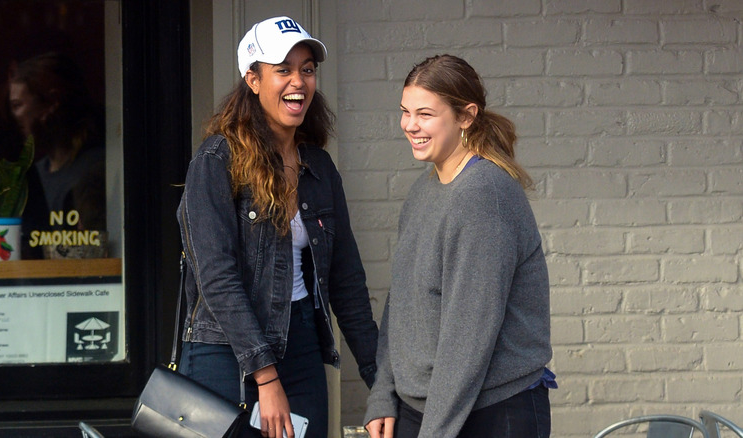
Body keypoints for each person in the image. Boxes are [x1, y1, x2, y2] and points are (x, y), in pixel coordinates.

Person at [176, 16, 378, 438]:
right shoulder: (216, 161)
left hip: (301, 343)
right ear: (252, 79)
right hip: (224, 353)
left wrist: (379, 379)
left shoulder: (318, 168)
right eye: (282, 69)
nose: (299, 82)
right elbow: (216, 278)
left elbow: (347, 281)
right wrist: (265, 378)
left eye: (307, 69)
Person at [364, 54, 555, 438]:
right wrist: (383, 394)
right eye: (405, 112)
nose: (410, 126)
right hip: (425, 408)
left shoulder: (484, 195)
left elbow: (468, 337)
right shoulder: (424, 190)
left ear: (466, 116)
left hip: (491, 413)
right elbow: (401, 305)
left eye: (425, 114)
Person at [8, 52, 107, 258]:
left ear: (52, 102)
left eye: (18, 105)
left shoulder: (97, 169)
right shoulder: (33, 175)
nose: (14, 116)